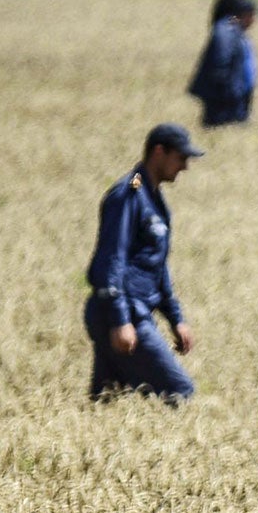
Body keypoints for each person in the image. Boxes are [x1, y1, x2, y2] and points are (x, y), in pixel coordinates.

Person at [84, 124, 204, 404]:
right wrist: (120, 320)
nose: (185, 166)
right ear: (159, 152)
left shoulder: (153, 198)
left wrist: (176, 318)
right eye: (181, 158)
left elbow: (156, 266)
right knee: (181, 392)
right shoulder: (128, 196)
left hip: (132, 310)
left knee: (108, 402)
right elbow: (111, 259)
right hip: (123, 313)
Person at [188, 0, 257, 126]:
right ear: (244, 14)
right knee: (223, 128)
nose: (254, 21)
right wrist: (225, 93)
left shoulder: (235, 30)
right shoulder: (226, 30)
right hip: (225, 97)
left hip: (237, 94)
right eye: (252, 16)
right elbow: (220, 63)